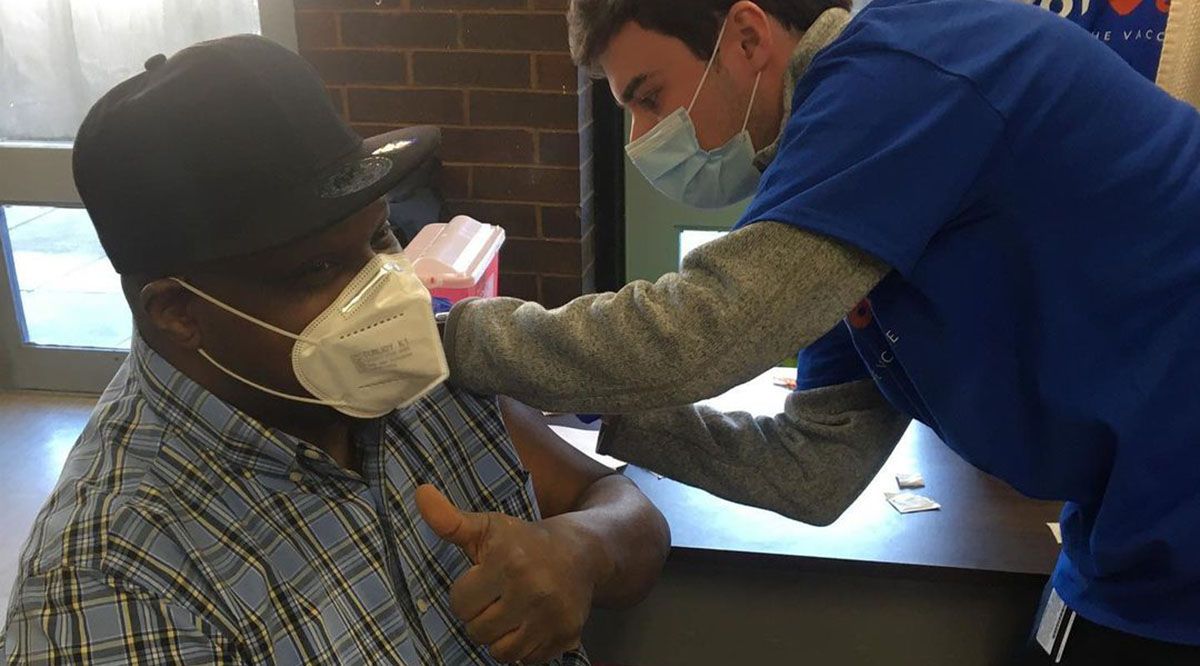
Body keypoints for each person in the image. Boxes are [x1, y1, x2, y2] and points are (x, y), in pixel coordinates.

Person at [441, 0, 1200, 662]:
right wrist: (603, 409)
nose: (641, 139)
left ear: (745, 37)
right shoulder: (849, 188)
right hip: (1131, 522)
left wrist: (450, 338)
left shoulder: (897, 78)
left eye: (648, 97)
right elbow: (815, 466)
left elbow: (704, 332)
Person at [1, 35, 669, 666]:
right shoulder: (112, 587)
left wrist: (581, 551)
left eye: (380, 240)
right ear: (179, 312)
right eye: (316, 272)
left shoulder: (411, 371)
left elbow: (615, 501)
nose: (386, 298)